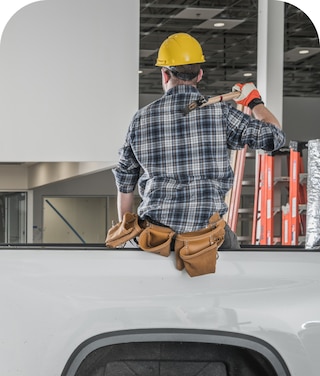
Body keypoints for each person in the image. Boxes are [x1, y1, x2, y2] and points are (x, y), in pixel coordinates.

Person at [112, 32, 285, 249]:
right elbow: (274, 137)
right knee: (236, 261)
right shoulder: (221, 113)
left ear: (165, 74)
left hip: (157, 236)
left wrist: (127, 233)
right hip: (207, 236)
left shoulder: (140, 119)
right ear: (199, 74)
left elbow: (125, 181)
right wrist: (254, 101)